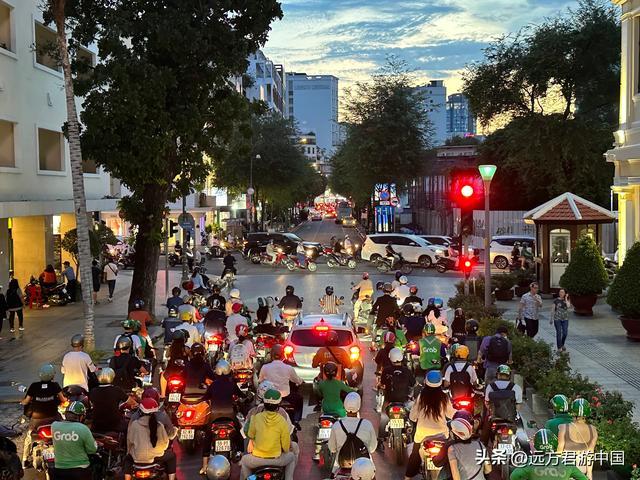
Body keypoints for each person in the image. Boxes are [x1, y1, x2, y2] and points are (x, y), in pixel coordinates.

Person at [405, 371, 455, 480]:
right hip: (442, 435)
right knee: (449, 456)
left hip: (422, 435)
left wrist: (414, 420)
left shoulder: (421, 397)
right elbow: (451, 414)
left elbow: (413, 416)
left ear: (426, 382)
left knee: (415, 455)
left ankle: (407, 477)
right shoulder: (444, 397)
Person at [199, 360, 245, 473]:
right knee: (239, 434)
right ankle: (241, 456)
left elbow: (205, 397)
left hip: (214, 416)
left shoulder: (213, 385)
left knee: (208, 437)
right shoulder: (232, 384)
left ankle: (204, 466)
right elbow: (242, 395)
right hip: (230, 416)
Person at [241, 389, 297, 480]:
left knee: (244, 461)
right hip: (277, 460)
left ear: (264, 403)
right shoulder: (282, 421)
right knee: (291, 457)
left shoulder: (255, 418)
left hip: (257, 459)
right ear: (278, 405)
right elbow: (286, 447)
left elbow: (250, 435)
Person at [21, 363, 65, 467]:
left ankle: (25, 460)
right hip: (53, 418)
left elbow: (26, 402)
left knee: (29, 437)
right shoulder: (55, 385)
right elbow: (63, 399)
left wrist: (22, 402)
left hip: (37, 420)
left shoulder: (34, 386)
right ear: (52, 375)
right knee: (64, 430)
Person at [124, 398, 176, 480]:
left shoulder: (134, 425)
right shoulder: (159, 426)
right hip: (156, 457)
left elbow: (129, 442)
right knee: (172, 457)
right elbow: (165, 444)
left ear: (140, 411)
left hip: (137, 457)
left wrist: (130, 452)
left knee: (127, 459)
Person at [511, 429, 588, 480]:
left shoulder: (529, 462)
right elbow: (583, 479)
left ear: (536, 446)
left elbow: (513, 477)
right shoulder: (567, 463)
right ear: (555, 445)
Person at [328, 393, 376, 470]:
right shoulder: (367, 424)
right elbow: (372, 448)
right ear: (359, 406)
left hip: (342, 463)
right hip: (363, 466)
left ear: (344, 405)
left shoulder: (336, 425)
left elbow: (332, 448)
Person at [51, 401, 97, 479]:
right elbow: (92, 450)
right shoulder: (83, 428)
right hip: (80, 471)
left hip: (59, 470)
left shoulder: (54, 426)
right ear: (81, 416)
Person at [258, 345, 304, 422]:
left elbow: (260, 381)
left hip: (270, 396)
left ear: (271, 355)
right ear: (283, 355)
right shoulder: (288, 368)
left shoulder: (265, 367)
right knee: (299, 399)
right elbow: (297, 381)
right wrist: (301, 381)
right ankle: (296, 420)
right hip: (285, 395)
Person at [378, 347, 415, 441]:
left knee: (383, 416)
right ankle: (413, 436)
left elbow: (382, 384)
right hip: (404, 400)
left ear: (391, 358)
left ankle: (381, 439)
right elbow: (413, 384)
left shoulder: (386, 370)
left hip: (390, 400)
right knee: (413, 415)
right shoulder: (407, 371)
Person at [557, 399, 598, 479]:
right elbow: (590, 453)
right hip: (582, 471)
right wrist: (589, 473)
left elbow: (559, 450)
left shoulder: (563, 428)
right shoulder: (593, 430)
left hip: (566, 470)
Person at [89, 367, 133, 434]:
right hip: (114, 425)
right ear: (112, 377)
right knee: (130, 425)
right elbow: (131, 402)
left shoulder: (93, 391)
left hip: (96, 426)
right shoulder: (117, 390)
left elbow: (92, 405)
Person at [160, 331, 189, 397]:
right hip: (183, 372)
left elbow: (166, 356)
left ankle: (163, 395)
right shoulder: (186, 349)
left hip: (171, 371)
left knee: (162, 375)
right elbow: (191, 357)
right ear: (183, 339)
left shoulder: (170, 348)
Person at [371, 283, 399, 347]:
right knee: (394, 330)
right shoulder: (393, 299)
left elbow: (374, 308)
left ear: (383, 290)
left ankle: (373, 343)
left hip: (380, 320)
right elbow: (397, 310)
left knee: (375, 329)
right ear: (391, 290)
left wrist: (373, 312)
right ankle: (395, 343)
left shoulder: (379, 299)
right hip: (390, 321)